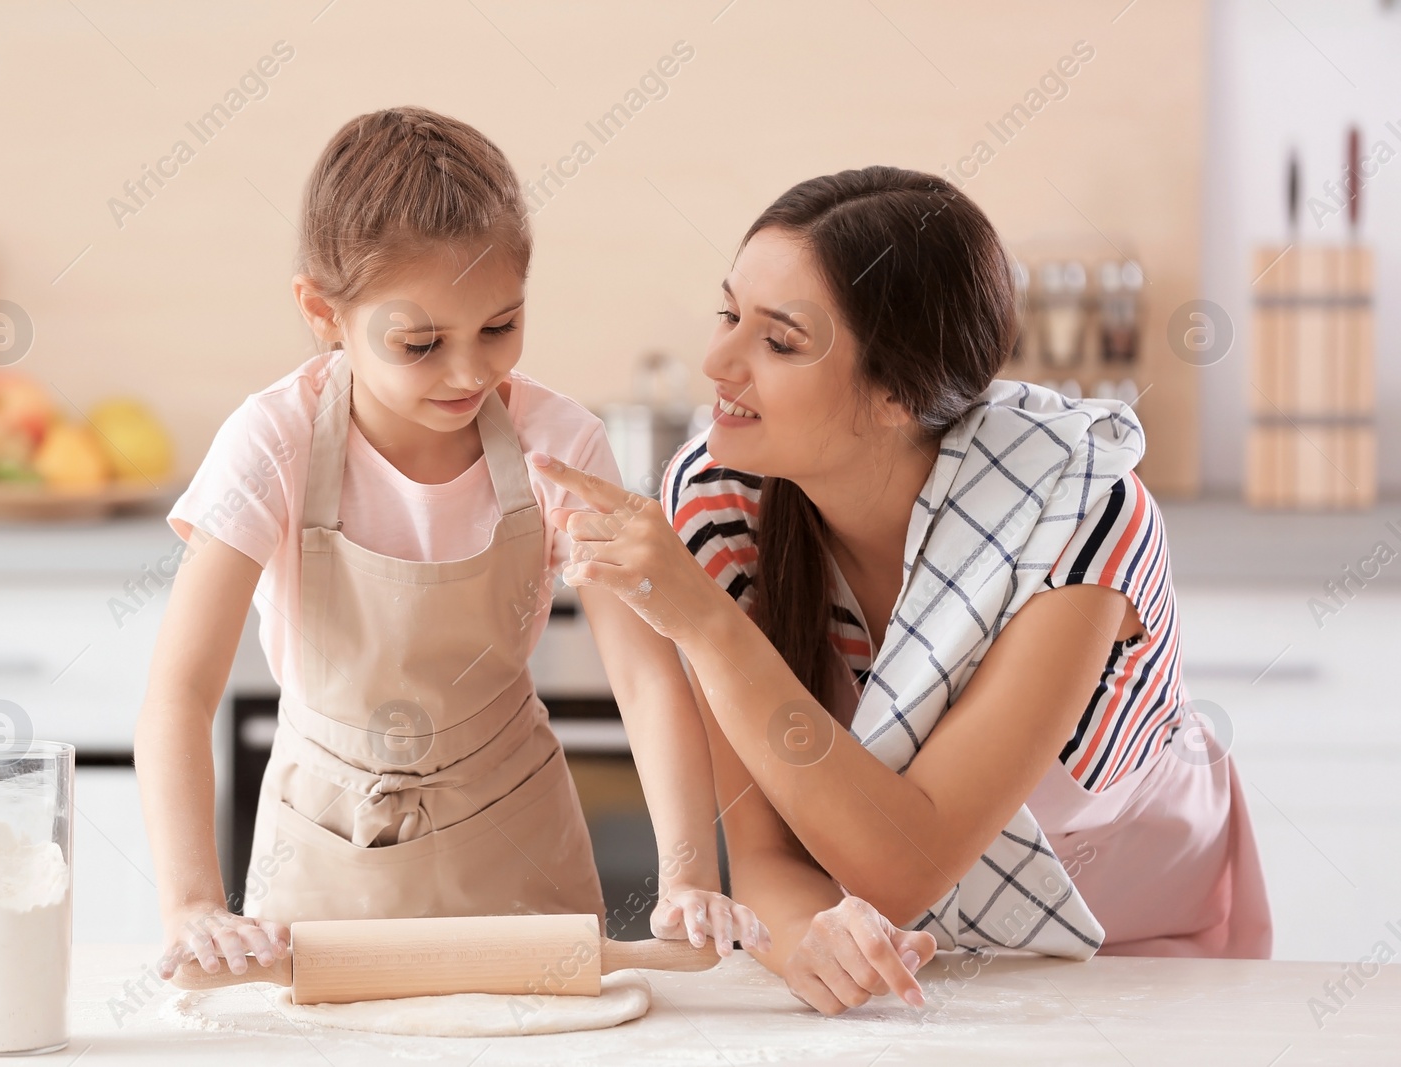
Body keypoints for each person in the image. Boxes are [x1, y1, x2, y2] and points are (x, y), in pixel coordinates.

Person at [536, 166, 1271, 1016]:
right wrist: (812, 938)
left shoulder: (1081, 514)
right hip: (915, 977)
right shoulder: (720, 502)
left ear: (897, 394)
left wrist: (700, 619)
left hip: (1145, 961)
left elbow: (905, 858)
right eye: (729, 314)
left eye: (778, 341)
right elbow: (768, 851)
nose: (718, 361)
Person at [135, 107, 767, 980]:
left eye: (499, 328)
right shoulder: (271, 443)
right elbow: (179, 692)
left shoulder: (561, 442)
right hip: (323, 870)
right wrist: (192, 902)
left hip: (522, 862)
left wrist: (690, 876)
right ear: (323, 312)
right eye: (421, 344)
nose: (470, 372)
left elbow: (645, 673)